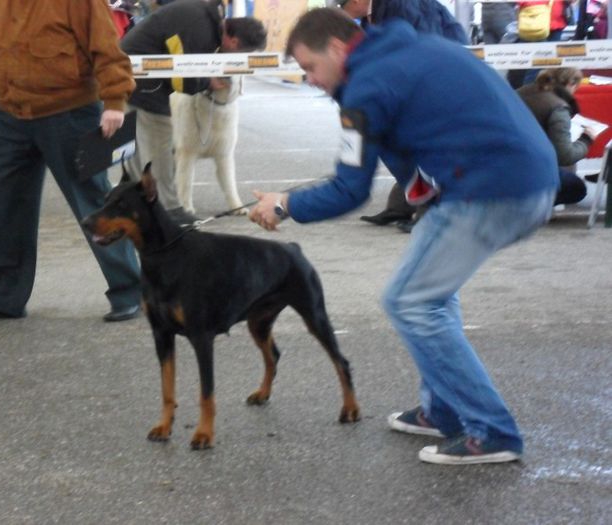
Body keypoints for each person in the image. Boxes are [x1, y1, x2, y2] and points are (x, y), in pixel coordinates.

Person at [249, 8, 559, 465]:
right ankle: (443, 411)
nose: (309, 80)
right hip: (515, 176)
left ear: (337, 49)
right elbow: (415, 138)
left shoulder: (367, 87)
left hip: (497, 188)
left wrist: (284, 205)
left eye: (310, 67)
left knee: (410, 301)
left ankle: (492, 432)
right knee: (432, 293)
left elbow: (349, 191)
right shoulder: (403, 48)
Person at [0, 0, 143, 324]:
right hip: (10, 115)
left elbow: (106, 48)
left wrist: (114, 101)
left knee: (94, 203)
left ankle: (131, 291)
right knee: (2, 204)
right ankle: (5, 297)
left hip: (72, 112)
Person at [119, 0, 267, 225]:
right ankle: (170, 209)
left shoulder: (208, 21)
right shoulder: (199, 29)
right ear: (234, 41)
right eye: (241, 53)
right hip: (140, 78)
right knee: (160, 144)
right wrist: (207, 81)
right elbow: (182, 78)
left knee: (139, 151)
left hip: (138, 73)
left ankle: (129, 201)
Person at [359, 0, 469, 231]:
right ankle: (405, 204)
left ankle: (432, 209)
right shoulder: (379, 8)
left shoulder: (402, 4)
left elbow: (421, 44)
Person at [518, 68, 601, 205]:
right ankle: (536, 207)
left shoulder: (519, 93)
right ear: (570, 84)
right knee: (576, 187)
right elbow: (565, 156)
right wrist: (586, 139)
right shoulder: (558, 107)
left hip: (499, 163)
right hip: (527, 169)